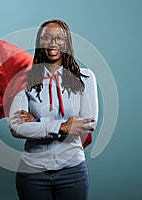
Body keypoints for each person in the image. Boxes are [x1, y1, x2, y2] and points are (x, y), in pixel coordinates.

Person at [8, 19, 98, 200]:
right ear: (39, 42)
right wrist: (61, 127)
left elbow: (88, 123)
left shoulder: (85, 77)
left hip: (72, 172)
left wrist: (37, 122)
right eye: (47, 38)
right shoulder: (23, 79)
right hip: (32, 173)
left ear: (67, 43)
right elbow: (16, 128)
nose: (53, 43)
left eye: (59, 38)